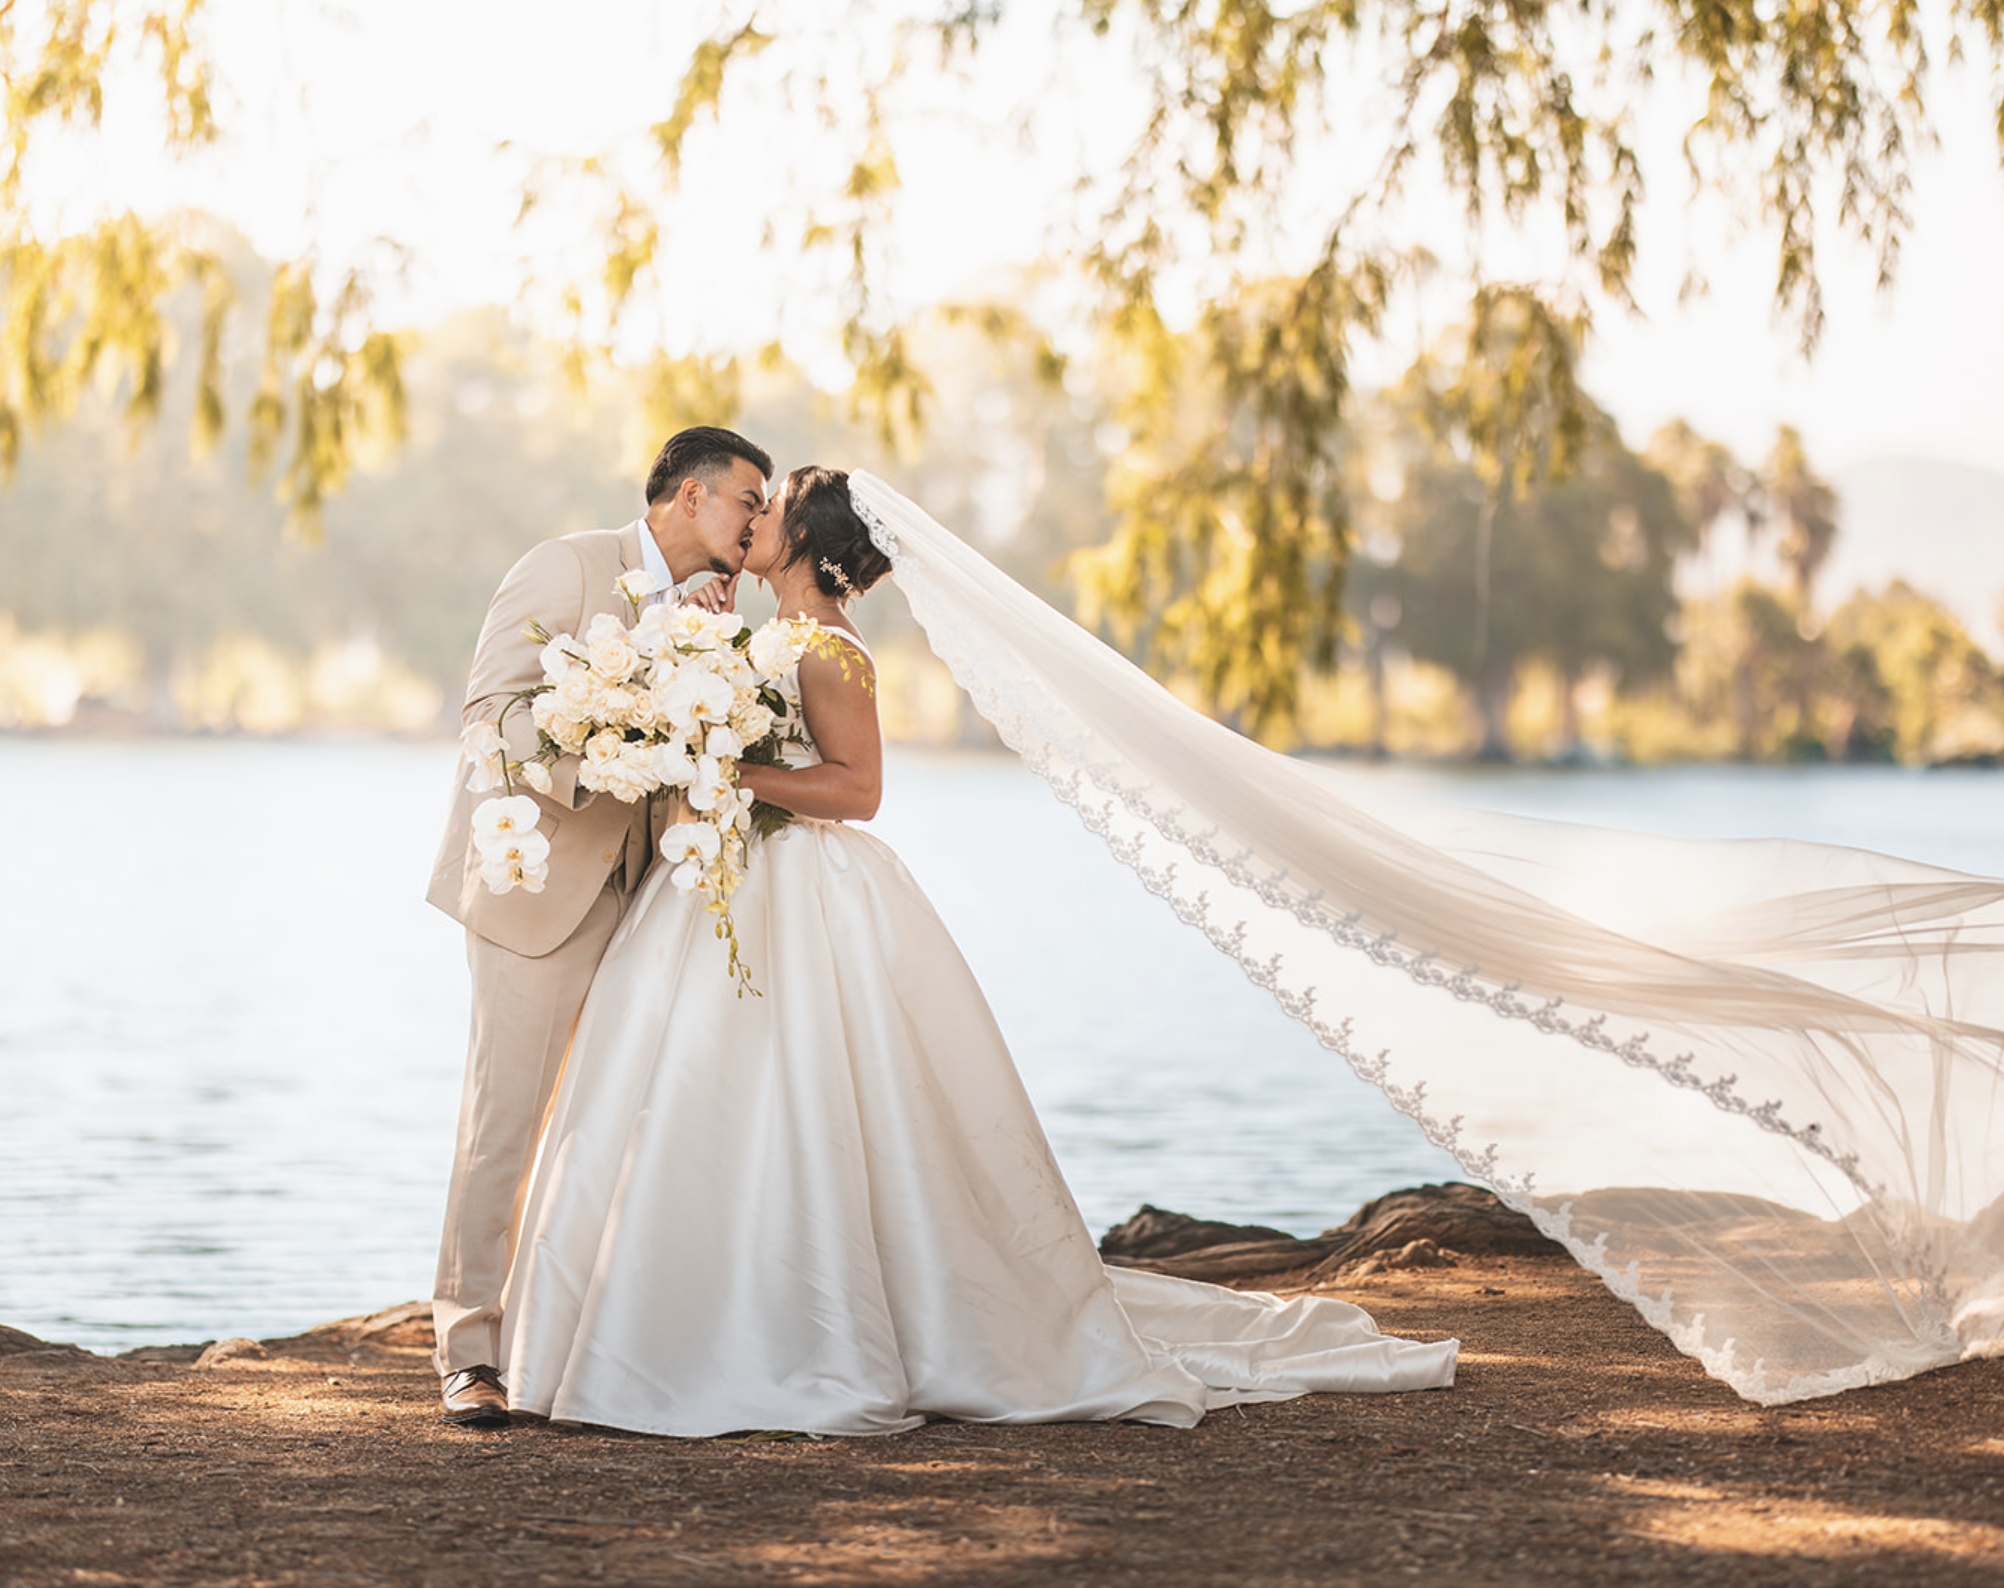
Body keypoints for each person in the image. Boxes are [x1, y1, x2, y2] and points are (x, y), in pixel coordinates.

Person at [497, 467, 1460, 1435]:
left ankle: (794, 1321)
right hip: (721, 882)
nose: (754, 517)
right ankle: (690, 1302)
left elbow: (857, 789)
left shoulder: (828, 647)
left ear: (803, 541)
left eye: (772, 506)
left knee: (801, 1096)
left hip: (800, 892)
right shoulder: (755, 632)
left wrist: (718, 765)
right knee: (698, 1095)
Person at [424, 425, 772, 1428]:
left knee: (621, 1125)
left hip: (653, 899)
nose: (759, 517)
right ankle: (468, 1349)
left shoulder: (724, 609)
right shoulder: (566, 567)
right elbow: (491, 716)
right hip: (534, 889)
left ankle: (577, 1340)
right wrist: (613, 742)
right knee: (506, 1120)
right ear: (690, 496)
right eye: (748, 497)